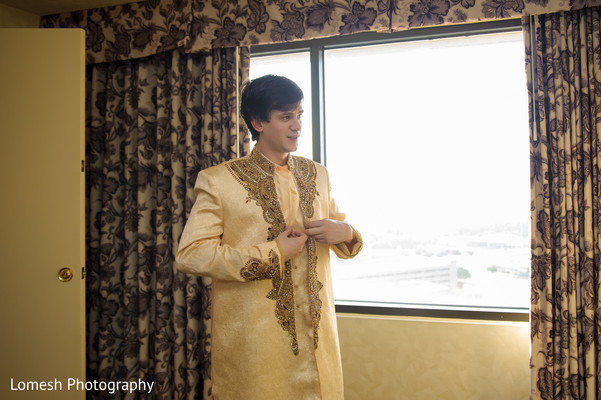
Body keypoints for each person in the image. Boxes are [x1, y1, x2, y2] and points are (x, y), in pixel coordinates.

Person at [176, 74, 362, 399]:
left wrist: (344, 232)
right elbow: (191, 254)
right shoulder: (219, 181)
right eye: (286, 116)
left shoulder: (317, 174)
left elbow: (340, 231)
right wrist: (273, 252)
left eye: (299, 115)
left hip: (318, 339)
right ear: (258, 122)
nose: (297, 126)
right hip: (255, 346)